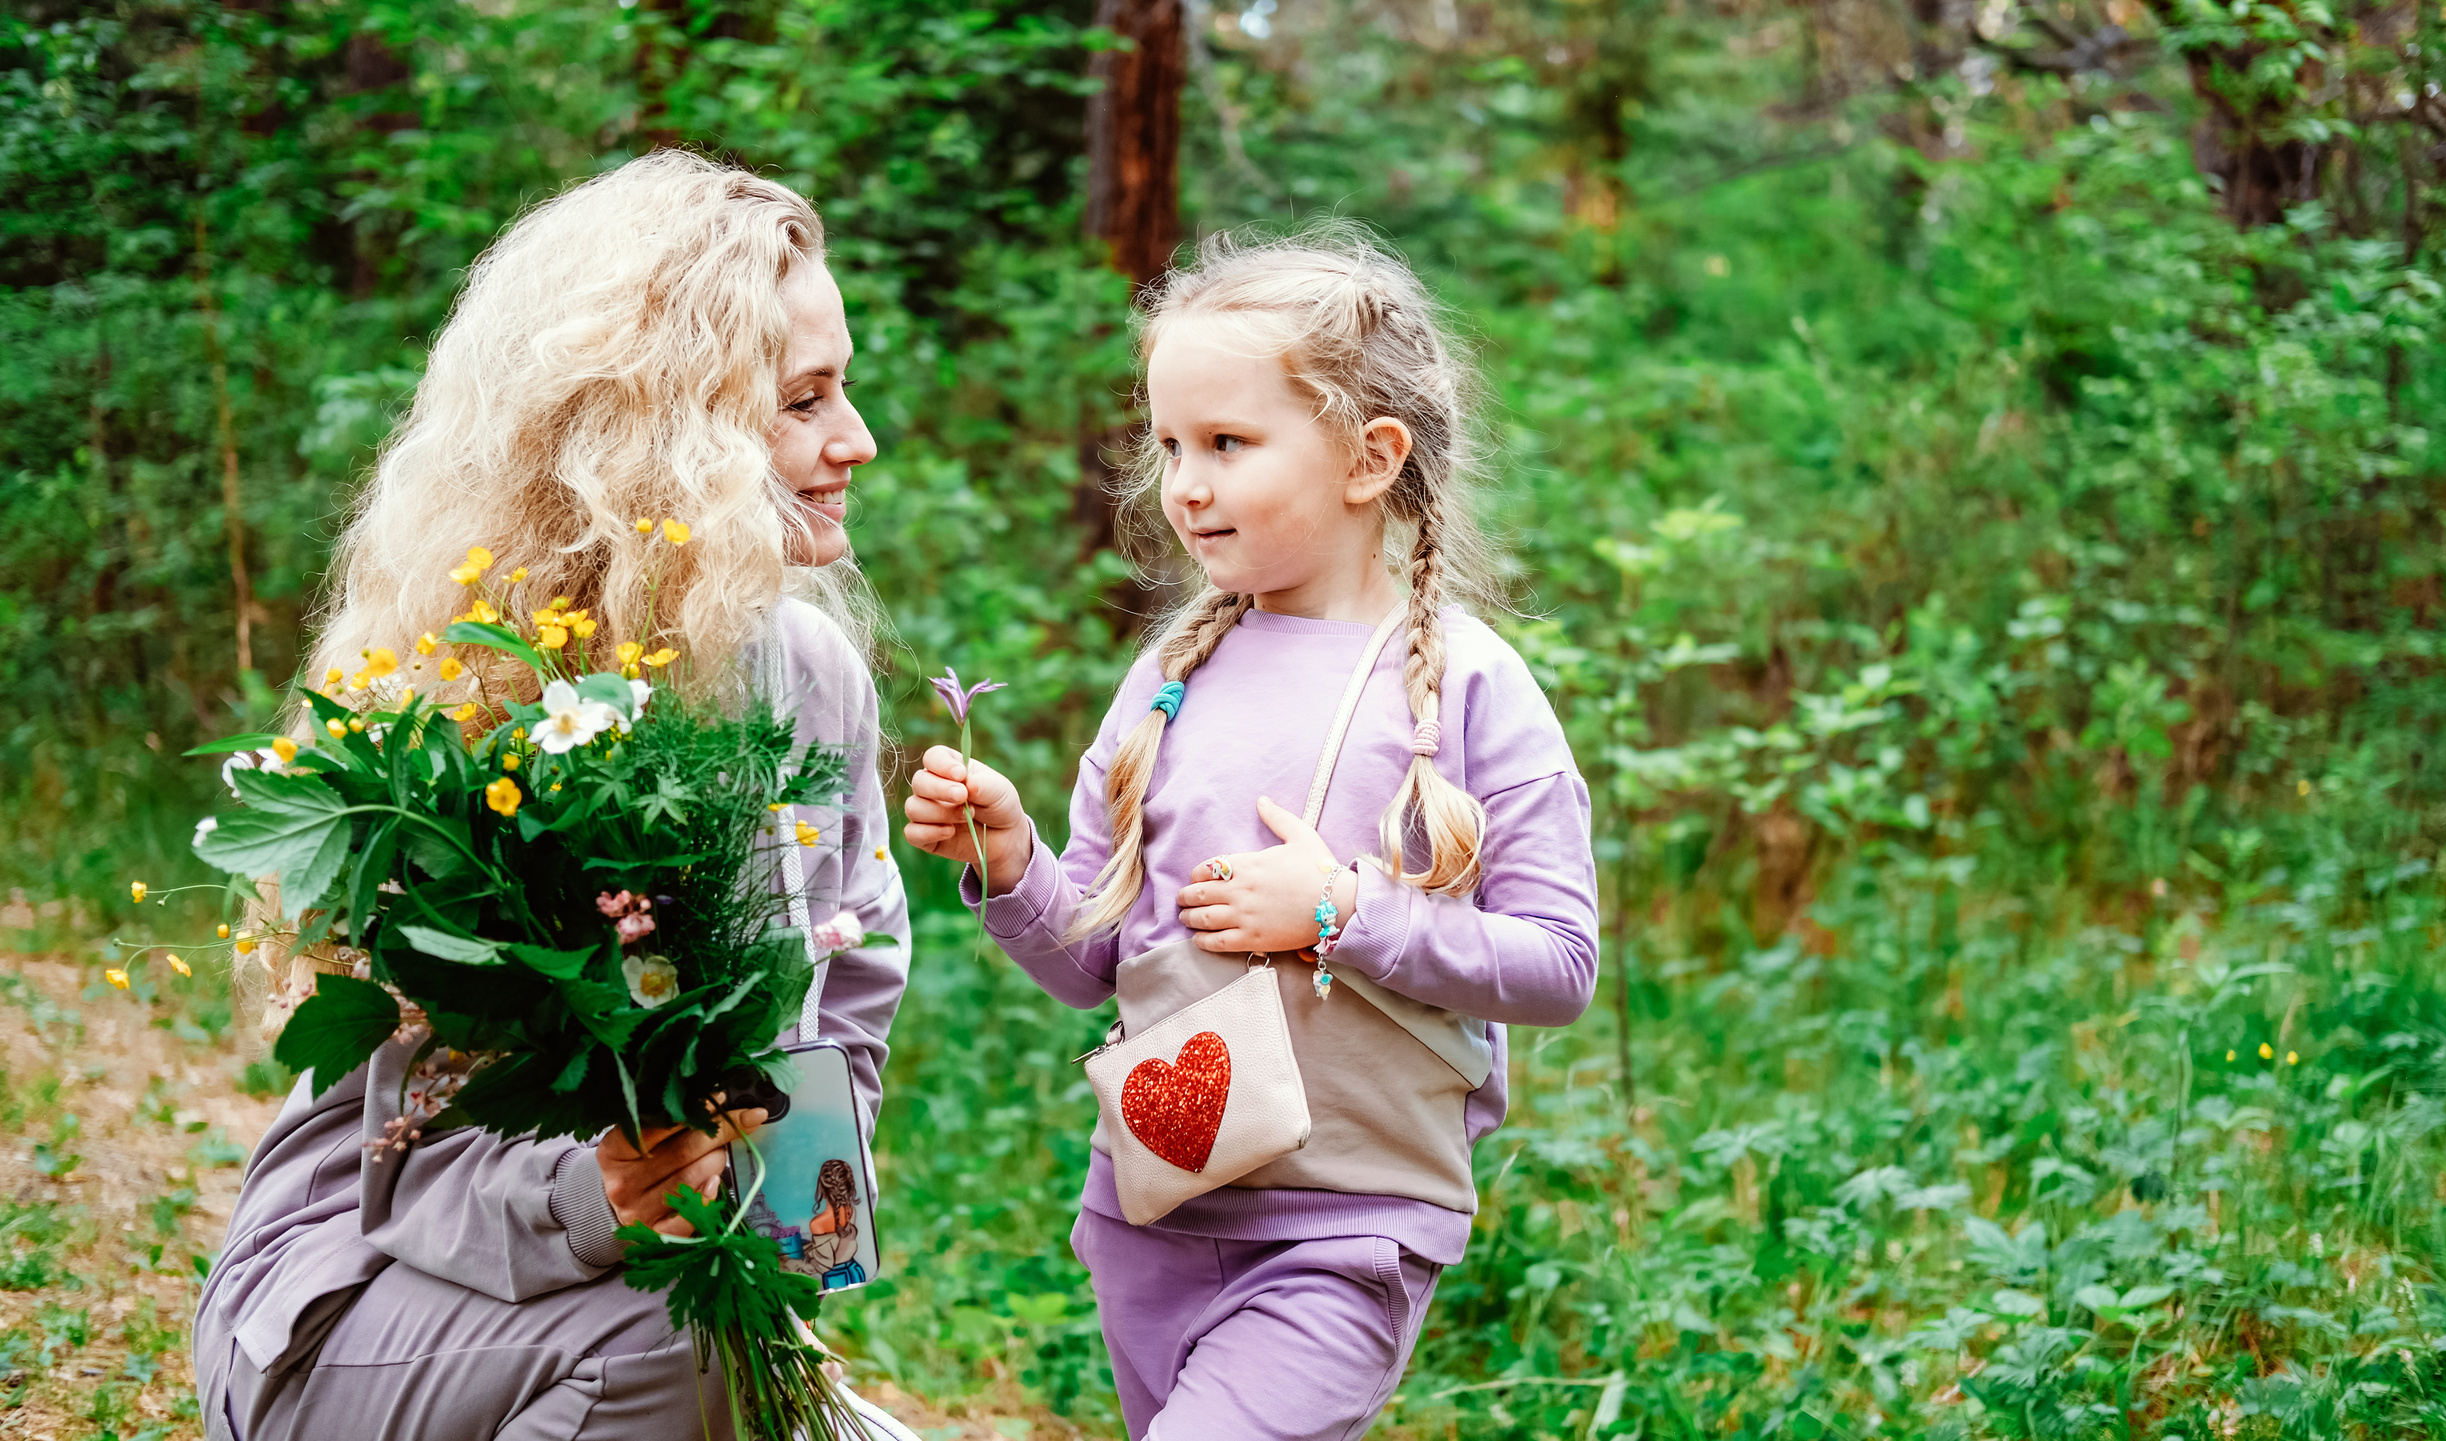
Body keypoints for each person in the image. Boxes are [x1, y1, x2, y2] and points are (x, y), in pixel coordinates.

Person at [195, 151, 916, 1441]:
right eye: (803, 401)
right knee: (676, 1337)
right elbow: (400, 1168)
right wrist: (603, 1193)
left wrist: (792, 1189)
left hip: (637, 1302)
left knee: (718, 1347)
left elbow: (851, 977)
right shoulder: (480, 702)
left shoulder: (812, 676)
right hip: (361, 1301)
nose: (854, 441)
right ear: (662, 440)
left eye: (841, 389)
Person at [902, 226, 1600, 1439]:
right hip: (1152, 1212)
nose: (1185, 482)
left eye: (1228, 443)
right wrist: (1009, 865)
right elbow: (1092, 968)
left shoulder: (1471, 687)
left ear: (1369, 458)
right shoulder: (1167, 679)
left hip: (1349, 1226)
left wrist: (1342, 912)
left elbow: (1559, 963)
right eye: (1170, 445)